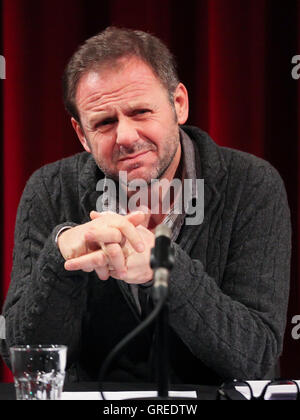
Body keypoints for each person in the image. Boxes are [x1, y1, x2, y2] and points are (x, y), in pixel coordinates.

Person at [0, 27, 291, 385]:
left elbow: (256, 356)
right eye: (105, 123)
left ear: (178, 105)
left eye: (140, 112)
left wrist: (165, 269)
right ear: (81, 135)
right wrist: (61, 259)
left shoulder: (252, 184)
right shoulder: (48, 190)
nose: (125, 136)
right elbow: (28, 363)